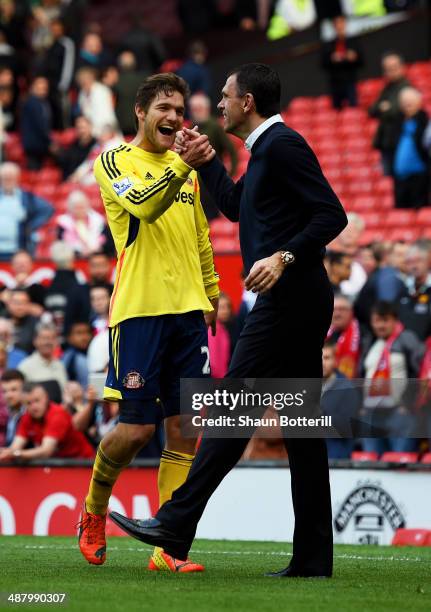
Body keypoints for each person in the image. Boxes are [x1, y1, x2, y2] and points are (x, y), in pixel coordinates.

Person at [110, 63, 348, 578]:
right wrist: (206, 162)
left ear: (247, 103)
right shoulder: (264, 152)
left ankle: (175, 523)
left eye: (224, 97)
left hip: (290, 299)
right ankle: (312, 559)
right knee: (302, 434)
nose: (217, 105)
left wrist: (283, 257)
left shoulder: (282, 145)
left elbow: (332, 215)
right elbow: (239, 207)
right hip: (297, 301)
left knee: (232, 409)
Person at [77, 72, 220, 573]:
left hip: (187, 314)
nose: (174, 118)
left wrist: (212, 290)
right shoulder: (115, 161)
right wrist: (182, 164)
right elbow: (145, 205)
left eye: (180, 110)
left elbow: (200, 233)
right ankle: (94, 508)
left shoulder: (189, 173)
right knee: (136, 430)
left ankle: (169, 548)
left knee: (185, 429)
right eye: (164, 107)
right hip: (139, 312)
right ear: (140, 112)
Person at [361, 301, 423, 454]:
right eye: (376, 321)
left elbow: (419, 371)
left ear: (395, 320)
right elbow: (362, 373)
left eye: (385, 320)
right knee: (371, 461)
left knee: (400, 462)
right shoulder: (370, 341)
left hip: (399, 413)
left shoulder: (407, 339)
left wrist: (407, 404)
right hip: (372, 413)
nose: (380, 325)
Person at [0, 382, 94, 461]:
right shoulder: (26, 417)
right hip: (60, 464)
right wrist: (7, 453)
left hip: (83, 463)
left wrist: (16, 454)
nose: (34, 407)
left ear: (46, 398)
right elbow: (14, 447)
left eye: (37, 401)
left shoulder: (57, 415)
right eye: (29, 403)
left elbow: (46, 451)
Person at [0, 161, 54, 259]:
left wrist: (31, 225)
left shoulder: (26, 197)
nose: (7, 181)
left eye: (10, 178)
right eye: (5, 178)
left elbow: (48, 209)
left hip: (19, 250)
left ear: (17, 178)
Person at [368, 52, 410, 176]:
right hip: (387, 141)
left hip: (400, 140)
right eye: (387, 69)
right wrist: (383, 108)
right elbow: (372, 110)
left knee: (401, 179)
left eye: (394, 67)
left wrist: (385, 109)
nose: (390, 72)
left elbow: (396, 111)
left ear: (402, 67)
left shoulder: (406, 87)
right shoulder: (387, 89)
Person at [321, 341, 360, 459]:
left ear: (336, 361)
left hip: (337, 458)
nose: (322, 363)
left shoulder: (348, 388)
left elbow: (347, 427)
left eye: (327, 358)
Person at [392, 88, 429, 209]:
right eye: (404, 102)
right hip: (400, 177)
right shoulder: (398, 121)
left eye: (410, 102)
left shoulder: (424, 121)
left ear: (419, 103)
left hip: (420, 177)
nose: (407, 105)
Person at [18, 322, 68, 403]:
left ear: (56, 342)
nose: (47, 342)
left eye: (51, 338)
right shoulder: (25, 366)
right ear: (35, 341)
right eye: (43, 338)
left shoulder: (60, 364)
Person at [321, 15, 363, 110]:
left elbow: (361, 61)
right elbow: (323, 63)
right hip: (335, 83)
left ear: (345, 24)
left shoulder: (353, 42)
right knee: (337, 110)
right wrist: (332, 59)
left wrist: (353, 57)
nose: (339, 26)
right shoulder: (329, 44)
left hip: (350, 81)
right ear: (334, 26)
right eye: (337, 24)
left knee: (353, 109)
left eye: (341, 23)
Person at [56, 189, 106, 257]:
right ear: (70, 208)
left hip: (97, 255)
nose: (79, 211)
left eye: (82, 207)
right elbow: (62, 244)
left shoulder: (97, 220)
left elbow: (106, 241)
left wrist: (95, 250)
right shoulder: (64, 222)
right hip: (74, 257)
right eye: (76, 208)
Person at [398, 243, 431, 341]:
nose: (414, 266)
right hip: (404, 344)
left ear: (428, 261)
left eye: (418, 260)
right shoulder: (403, 288)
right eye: (409, 262)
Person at [20, 76, 52, 169]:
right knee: (34, 171)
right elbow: (40, 125)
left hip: (41, 144)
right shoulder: (31, 103)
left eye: (45, 88)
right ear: (32, 88)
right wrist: (50, 142)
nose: (43, 90)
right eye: (39, 88)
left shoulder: (44, 103)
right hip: (34, 145)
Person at [326, 295, 361, 378]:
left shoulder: (363, 335)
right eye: (333, 310)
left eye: (342, 309)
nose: (337, 314)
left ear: (351, 312)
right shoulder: (325, 334)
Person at [76, 67, 117, 137]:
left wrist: (93, 131)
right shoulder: (82, 94)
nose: (84, 84)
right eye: (81, 82)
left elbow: (106, 117)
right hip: (91, 133)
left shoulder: (101, 91)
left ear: (91, 79)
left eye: (85, 81)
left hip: (107, 132)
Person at [53, 115, 96, 180]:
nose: (82, 131)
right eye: (79, 128)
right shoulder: (73, 146)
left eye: (83, 127)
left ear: (90, 127)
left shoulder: (97, 145)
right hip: (72, 183)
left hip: (90, 181)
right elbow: (65, 163)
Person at [62, 321, 92, 389]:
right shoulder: (68, 357)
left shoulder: (94, 352)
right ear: (69, 337)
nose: (84, 337)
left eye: (87, 332)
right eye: (79, 333)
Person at [0, 368, 25, 446]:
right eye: (4, 391)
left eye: (14, 390)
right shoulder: (4, 414)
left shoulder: (30, 412)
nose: (8, 395)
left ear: (24, 389)